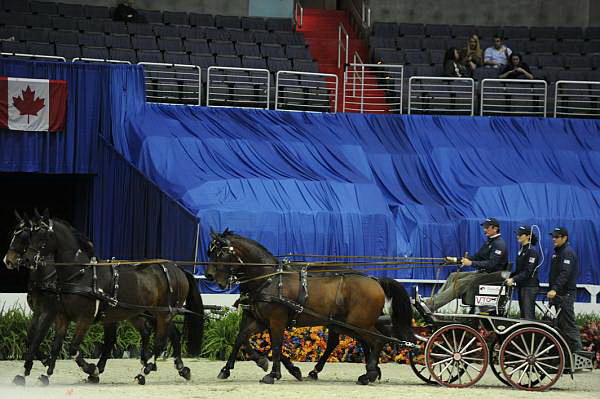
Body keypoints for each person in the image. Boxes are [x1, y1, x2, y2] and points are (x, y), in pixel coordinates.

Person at [420, 217, 509, 312]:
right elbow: (476, 257)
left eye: (487, 227)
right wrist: (455, 259)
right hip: (484, 273)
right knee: (453, 276)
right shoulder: (489, 242)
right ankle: (432, 301)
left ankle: (432, 305)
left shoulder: (499, 244)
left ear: (495, 229)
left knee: (460, 283)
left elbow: (492, 264)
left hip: (493, 276)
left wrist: (471, 263)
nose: (484, 230)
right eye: (484, 227)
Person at [547, 227, 583, 353]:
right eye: (553, 236)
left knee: (568, 325)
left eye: (557, 237)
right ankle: (565, 356)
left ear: (564, 238)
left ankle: (578, 354)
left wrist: (554, 289)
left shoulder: (567, 252)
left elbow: (564, 274)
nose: (554, 239)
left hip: (565, 295)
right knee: (560, 326)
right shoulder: (557, 251)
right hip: (559, 294)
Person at [505, 225, 540, 319]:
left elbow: (528, 271)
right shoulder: (522, 250)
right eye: (517, 234)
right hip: (523, 285)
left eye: (521, 235)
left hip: (529, 286)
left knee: (528, 315)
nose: (518, 236)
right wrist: (508, 276)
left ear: (528, 236)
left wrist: (513, 279)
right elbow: (519, 270)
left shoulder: (532, 251)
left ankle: (531, 332)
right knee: (523, 315)